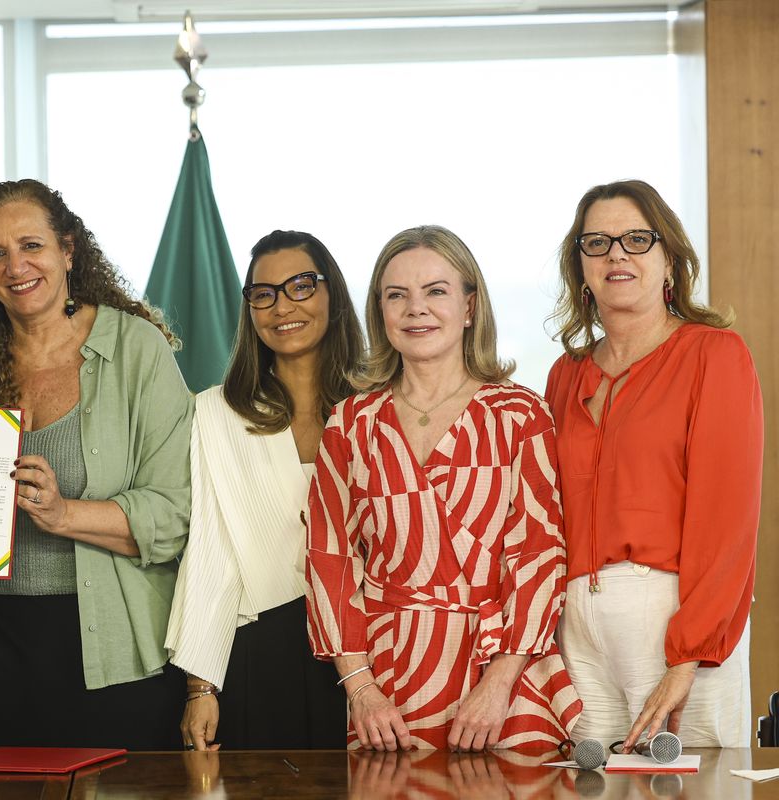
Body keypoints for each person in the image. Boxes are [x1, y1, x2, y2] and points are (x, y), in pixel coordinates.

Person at [0, 179, 192, 750]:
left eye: (31, 245)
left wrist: (62, 513)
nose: (15, 267)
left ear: (68, 250)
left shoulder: (136, 348)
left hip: (116, 648)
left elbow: (174, 517)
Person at [305, 225, 581, 751]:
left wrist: (499, 683)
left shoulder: (520, 415)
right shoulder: (351, 424)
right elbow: (330, 561)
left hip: (503, 673)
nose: (416, 309)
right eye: (397, 295)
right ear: (380, 312)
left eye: (435, 291)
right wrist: (361, 690)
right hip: (387, 685)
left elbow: (540, 554)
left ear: (469, 306)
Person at [545, 179, 760, 749]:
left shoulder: (714, 354)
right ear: (581, 267)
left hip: (675, 619)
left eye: (637, 239)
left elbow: (727, 519)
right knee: (590, 786)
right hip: (579, 624)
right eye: (597, 243)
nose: (616, 254)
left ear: (669, 259)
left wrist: (689, 654)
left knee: (694, 782)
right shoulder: (564, 375)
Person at [165, 230, 362, 751]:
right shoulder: (218, 412)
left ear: (332, 293)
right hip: (263, 647)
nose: (282, 307)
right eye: (263, 293)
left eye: (301, 286)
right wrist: (200, 686)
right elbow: (210, 550)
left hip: (374, 643)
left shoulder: (379, 403)